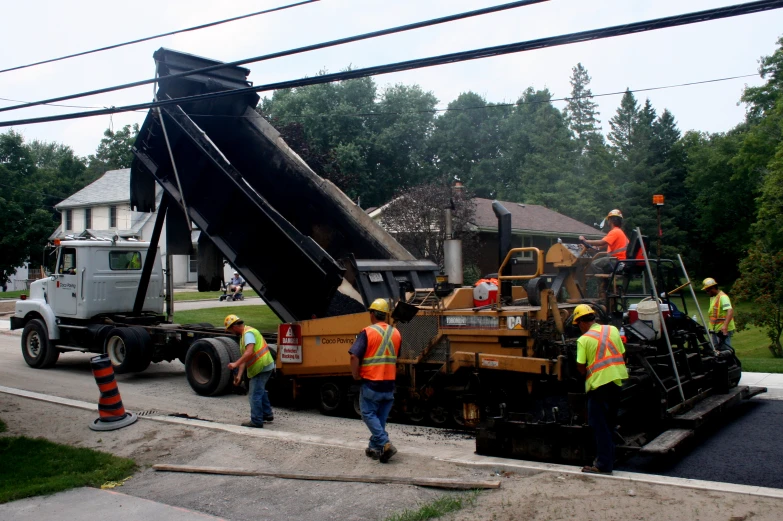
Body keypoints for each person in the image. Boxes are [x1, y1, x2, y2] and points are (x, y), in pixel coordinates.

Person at [572, 304, 628, 475]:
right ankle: (610, 459)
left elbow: (581, 367)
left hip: (598, 387)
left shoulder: (583, 340)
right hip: (617, 382)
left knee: (599, 425)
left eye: (577, 325)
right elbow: (622, 353)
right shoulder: (612, 330)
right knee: (610, 424)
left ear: (581, 322)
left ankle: (603, 465)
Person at [348, 298, 401, 463]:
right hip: (389, 384)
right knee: (380, 418)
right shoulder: (396, 333)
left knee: (368, 413)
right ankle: (375, 448)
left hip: (372, 382)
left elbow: (354, 356)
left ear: (372, 314)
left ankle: (385, 443)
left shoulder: (367, 332)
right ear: (385, 315)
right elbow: (396, 357)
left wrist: (355, 374)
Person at [225, 314, 274, 428]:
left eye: (230, 330)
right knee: (260, 390)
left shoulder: (248, 334)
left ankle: (257, 421)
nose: (231, 333)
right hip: (265, 365)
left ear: (234, 327)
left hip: (261, 367)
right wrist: (239, 375)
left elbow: (249, 352)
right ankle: (267, 414)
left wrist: (235, 364)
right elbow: (245, 358)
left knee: (254, 394)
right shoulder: (245, 335)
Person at [579, 209, 629, 274]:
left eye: (608, 219)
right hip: (620, 261)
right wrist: (588, 247)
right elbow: (600, 246)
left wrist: (585, 241)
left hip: (617, 261)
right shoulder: (619, 232)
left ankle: (602, 281)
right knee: (599, 265)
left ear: (610, 220)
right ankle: (605, 281)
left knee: (592, 264)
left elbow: (601, 242)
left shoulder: (615, 232)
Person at [702, 278, 735, 351]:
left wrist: (725, 326)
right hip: (716, 329)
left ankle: (729, 362)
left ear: (713, 288)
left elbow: (730, 310)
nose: (707, 292)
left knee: (725, 350)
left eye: (707, 290)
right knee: (716, 350)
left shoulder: (723, 297)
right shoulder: (713, 297)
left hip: (722, 329)